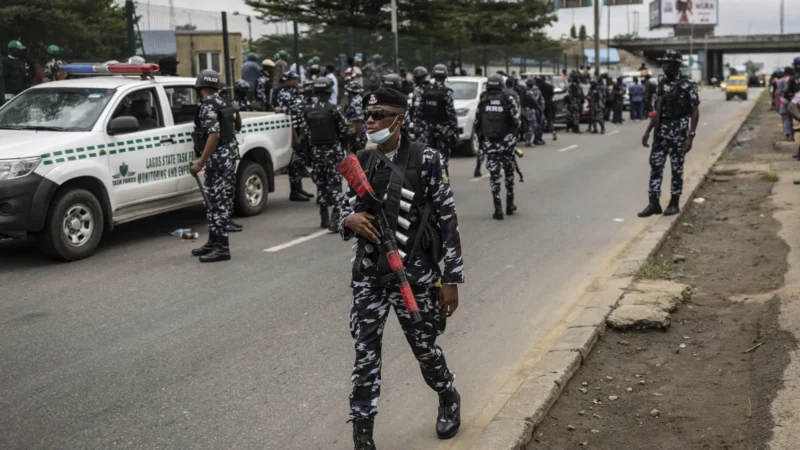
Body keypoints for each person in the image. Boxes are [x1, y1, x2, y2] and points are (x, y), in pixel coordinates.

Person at [339, 87, 464, 448]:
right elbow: (341, 210)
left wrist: (451, 278)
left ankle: (447, 394)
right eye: (368, 114)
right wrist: (349, 218)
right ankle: (363, 434)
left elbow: (448, 218)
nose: (370, 120)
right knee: (365, 354)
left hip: (415, 274)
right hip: (369, 274)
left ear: (400, 118)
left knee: (424, 347)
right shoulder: (360, 160)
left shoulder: (427, 158)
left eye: (379, 115)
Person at [639, 49, 700, 218]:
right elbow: (657, 110)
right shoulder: (661, 84)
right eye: (664, 63)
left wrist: (691, 135)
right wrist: (647, 132)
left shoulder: (688, 84)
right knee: (655, 167)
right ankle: (653, 203)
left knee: (676, 168)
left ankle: (674, 203)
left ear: (677, 65)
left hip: (678, 132)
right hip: (660, 132)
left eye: (668, 63)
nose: (665, 66)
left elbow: (695, 111)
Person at [189, 70, 240, 262]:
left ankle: (222, 247)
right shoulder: (225, 102)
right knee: (219, 201)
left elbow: (214, 135)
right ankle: (213, 241)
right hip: (228, 157)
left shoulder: (208, 106)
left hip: (217, 160)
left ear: (201, 88)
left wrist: (200, 163)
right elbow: (237, 125)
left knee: (216, 203)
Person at [303, 77, 348, 231]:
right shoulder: (335, 109)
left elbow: (305, 134)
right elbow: (344, 131)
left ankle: (324, 219)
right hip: (333, 152)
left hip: (316, 153)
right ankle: (335, 221)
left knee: (321, 186)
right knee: (335, 185)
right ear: (329, 92)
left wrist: (308, 156)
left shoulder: (308, 110)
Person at [475, 74, 520, 220]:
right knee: (509, 173)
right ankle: (510, 204)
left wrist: (482, 139)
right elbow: (516, 120)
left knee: (494, 176)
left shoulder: (483, 99)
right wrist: (511, 135)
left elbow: (477, 122)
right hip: (506, 142)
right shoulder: (508, 98)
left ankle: (498, 208)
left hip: (490, 142)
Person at [276, 71, 314, 201]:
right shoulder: (285, 94)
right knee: (295, 162)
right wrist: (295, 136)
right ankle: (295, 191)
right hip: (293, 131)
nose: (297, 82)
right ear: (288, 81)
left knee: (298, 162)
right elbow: (288, 115)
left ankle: (298, 188)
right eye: (294, 79)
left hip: (299, 129)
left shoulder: (294, 92)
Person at [418, 64, 459, 172]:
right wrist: (456, 132)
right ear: (446, 75)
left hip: (427, 131)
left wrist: (421, 128)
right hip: (443, 131)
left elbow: (419, 111)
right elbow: (451, 114)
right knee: (442, 160)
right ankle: (443, 186)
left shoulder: (425, 90)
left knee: (427, 158)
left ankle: (427, 184)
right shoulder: (447, 92)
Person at [344, 68, 367, 153]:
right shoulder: (354, 100)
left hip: (357, 135)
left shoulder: (356, 102)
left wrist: (357, 139)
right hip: (354, 134)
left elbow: (359, 121)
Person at [522, 78, 545, 147]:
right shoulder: (528, 91)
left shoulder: (525, 90)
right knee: (533, 125)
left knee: (529, 125)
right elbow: (534, 101)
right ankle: (529, 141)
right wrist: (540, 109)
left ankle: (529, 140)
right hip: (529, 110)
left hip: (527, 110)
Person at [409, 66, 429, 140]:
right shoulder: (430, 87)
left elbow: (417, 108)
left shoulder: (418, 89)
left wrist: (416, 125)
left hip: (421, 124)